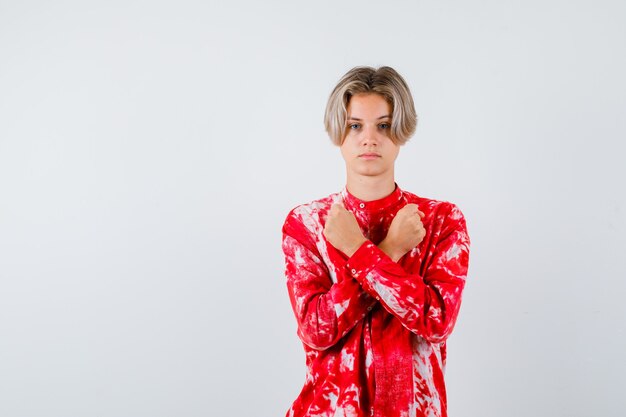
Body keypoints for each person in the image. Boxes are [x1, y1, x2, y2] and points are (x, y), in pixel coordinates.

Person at [281, 66, 470, 417]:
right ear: (340, 133)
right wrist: (389, 250)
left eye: (383, 126)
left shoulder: (441, 221)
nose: (369, 138)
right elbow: (317, 329)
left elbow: (437, 321)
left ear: (401, 131)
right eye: (356, 126)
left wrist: (358, 250)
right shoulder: (307, 224)